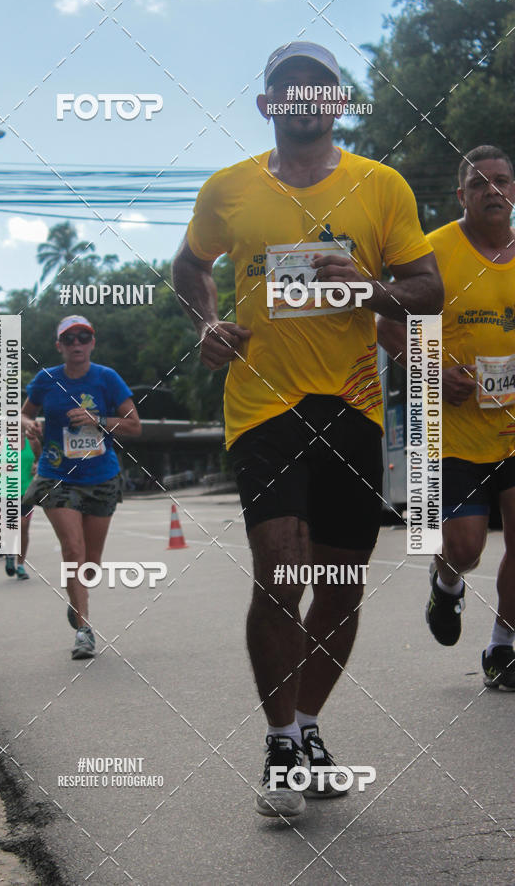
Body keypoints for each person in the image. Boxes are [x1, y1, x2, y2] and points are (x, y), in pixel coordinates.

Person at [172, 41, 443, 818]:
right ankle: (281, 740)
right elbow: (189, 267)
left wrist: (370, 287)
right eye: (287, 91)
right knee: (280, 567)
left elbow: (428, 291)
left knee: (340, 583)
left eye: (317, 90)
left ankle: (311, 724)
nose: (304, 101)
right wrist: (209, 322)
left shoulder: (380, 185)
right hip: (264, 403)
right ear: (268, 106)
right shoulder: (230, 189)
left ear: (337, 103)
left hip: (353, 405)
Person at [377, 145, 515, 690]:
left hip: (511, 426)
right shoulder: (431, 253)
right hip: (446, 426)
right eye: (479, 183)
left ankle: (503, 643)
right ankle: (446, 583)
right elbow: (385, 326)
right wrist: (432, 370)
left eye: (502, 181)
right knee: (466, 547)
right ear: (462, 196)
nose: (492, 191)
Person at [21, 315, 141, 659]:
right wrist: (30, 425)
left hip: (101, 477)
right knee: (73, 550)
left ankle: (78, 601)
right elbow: (23, 414)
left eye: (83, 338)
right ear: (59, 345)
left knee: (90, 562)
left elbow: (134, 426)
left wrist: (98, 420)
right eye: (69, 339)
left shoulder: (106, 378)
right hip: (57, 474)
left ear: (92, 343)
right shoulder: (47, 380)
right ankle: (85, 631)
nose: (76, 344)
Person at [3, 430, 42, 580]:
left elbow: (42, 458)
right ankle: (9, 555)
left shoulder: (32, 441)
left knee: (23, 525)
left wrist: (37, 466)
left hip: (26, 491)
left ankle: (20, 565)